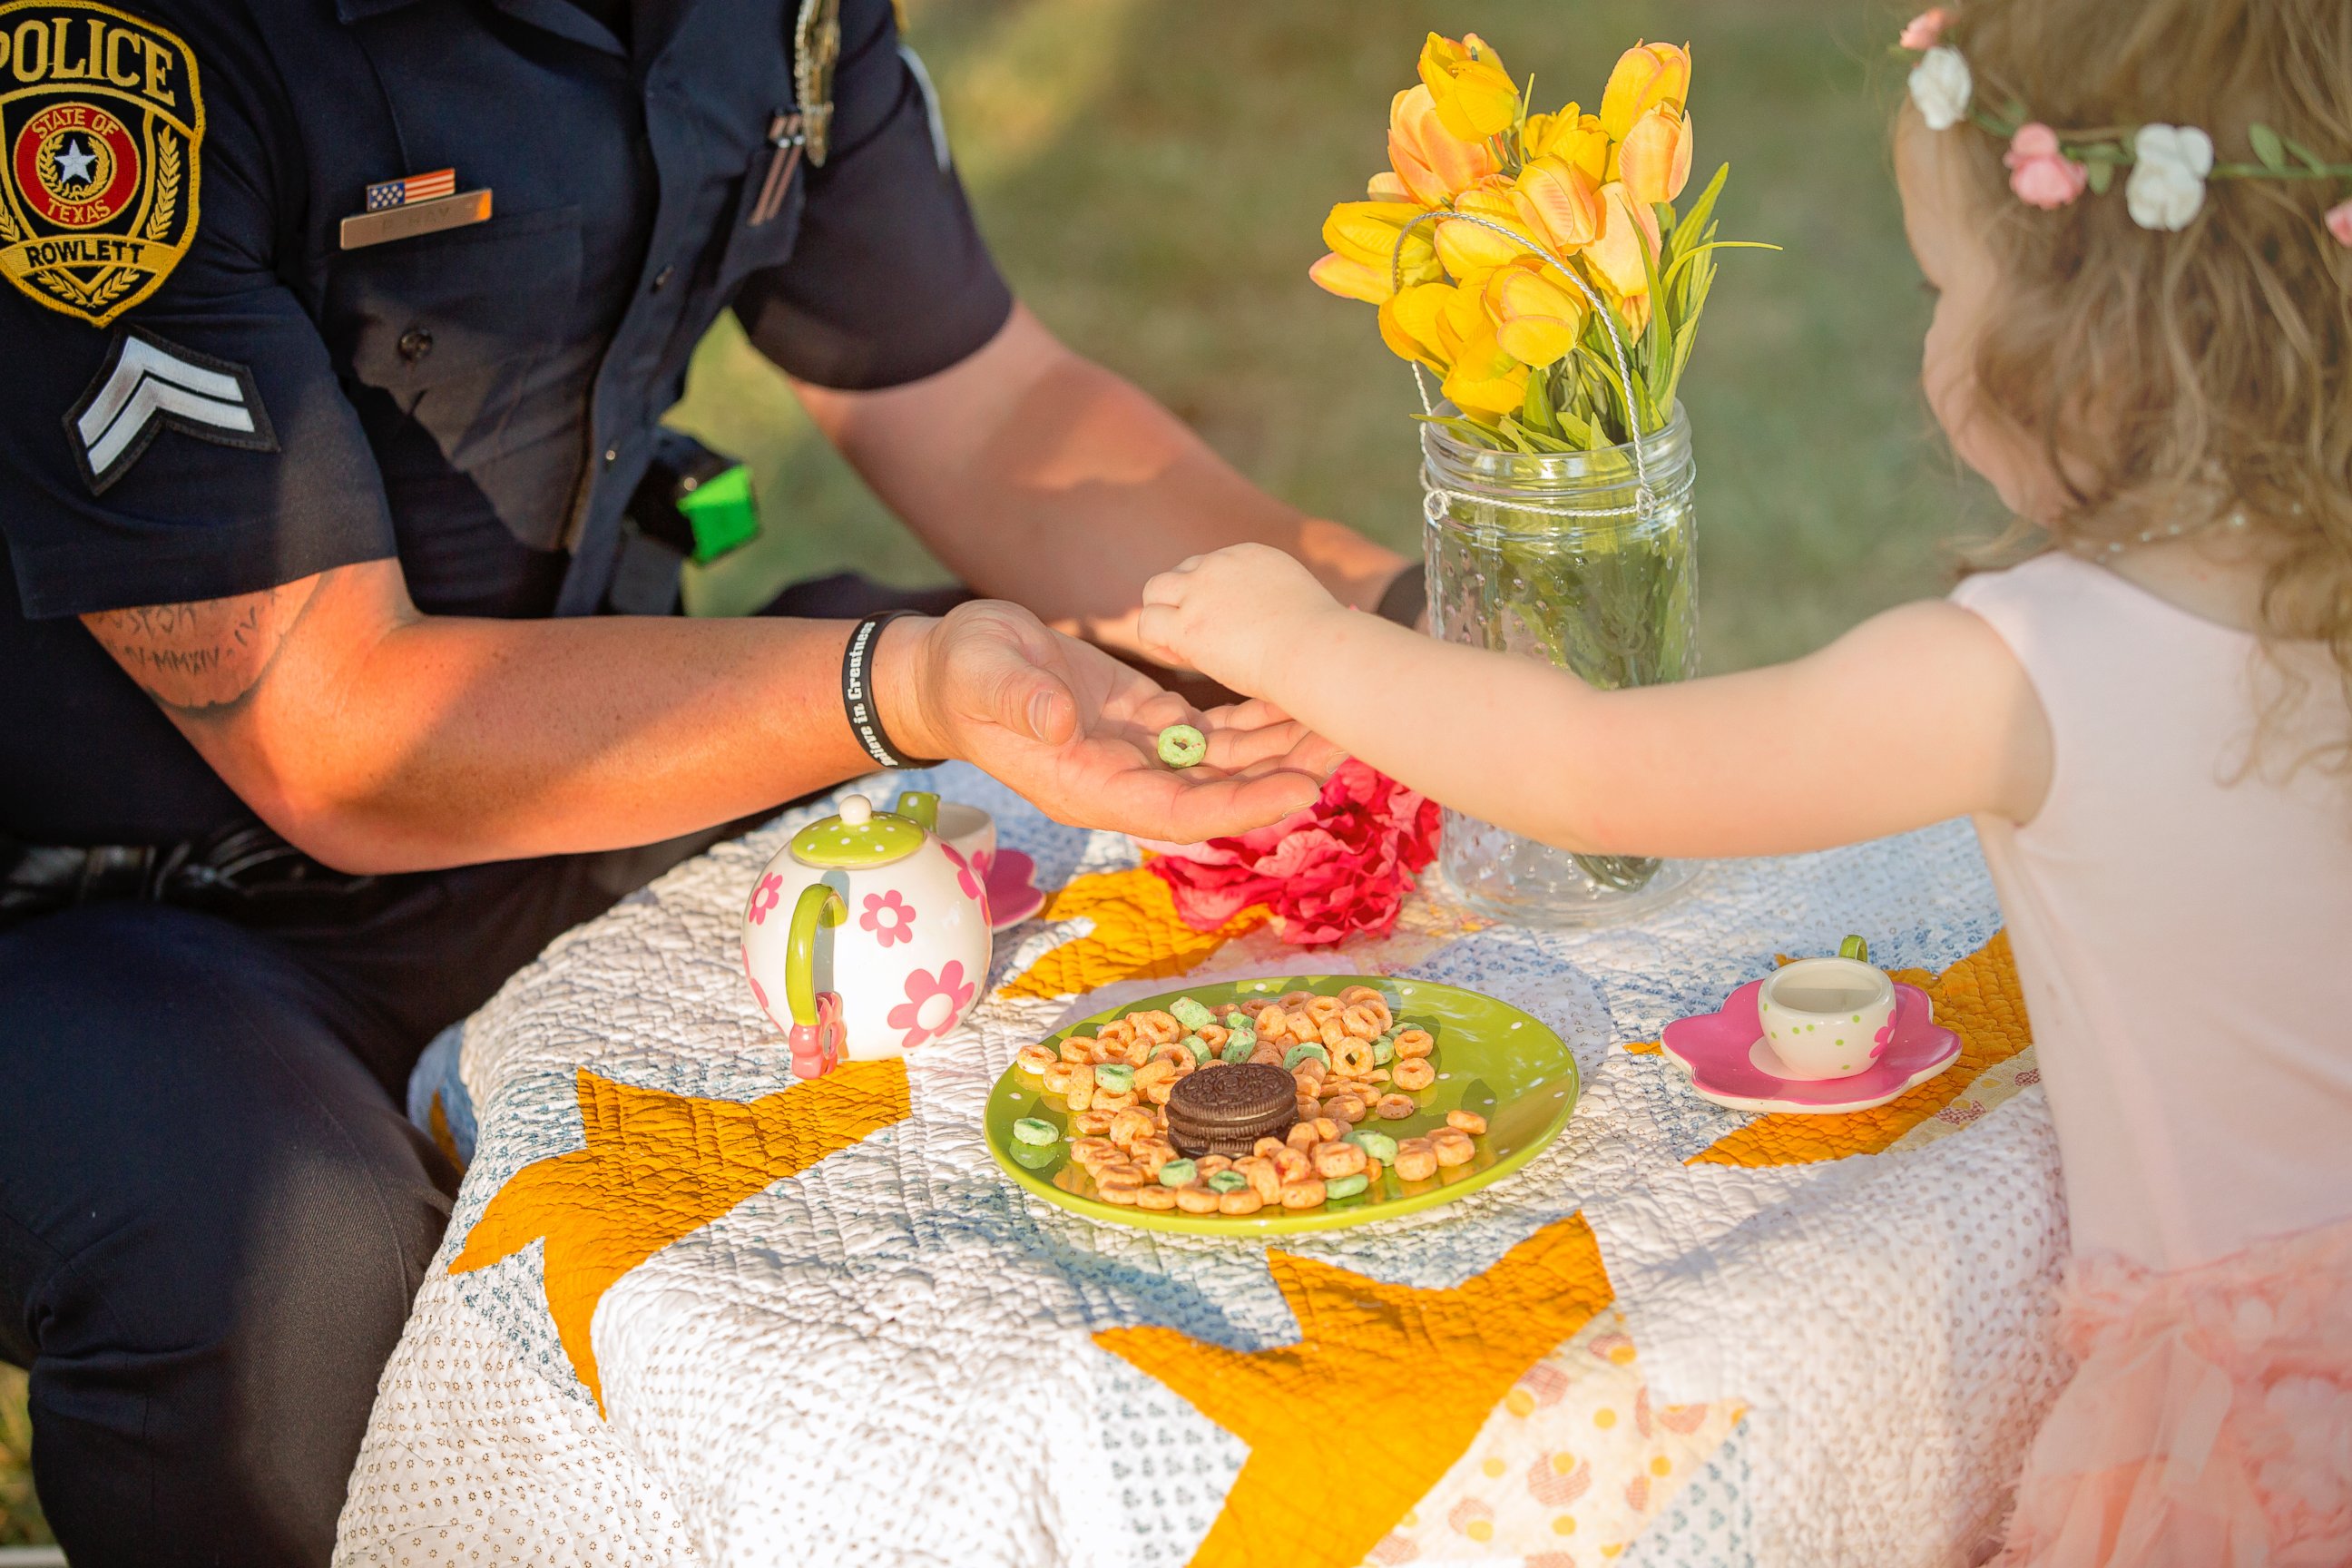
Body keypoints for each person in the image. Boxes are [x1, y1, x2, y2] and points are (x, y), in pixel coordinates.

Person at [0, 0, 1414, 1561]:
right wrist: (904, 685)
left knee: (1078, 907)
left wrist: (1391, 626)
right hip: (105, 915)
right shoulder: (114, 58)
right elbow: (337, 736)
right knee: (278, 1262)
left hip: (568, 784)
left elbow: (978, 402)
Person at [1141, 2, 2352, 1562]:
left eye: (1943, 285)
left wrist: (1300, 639)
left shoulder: (2017, 671)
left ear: (2080, 341)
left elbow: (1595, 771)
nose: (1931, 336)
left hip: (2255, 1435)